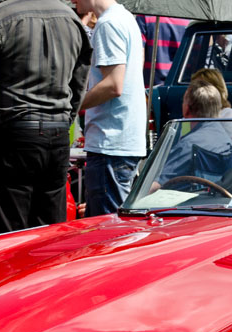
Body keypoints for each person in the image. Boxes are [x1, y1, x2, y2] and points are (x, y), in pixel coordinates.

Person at [0, 0, 91, 236]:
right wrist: (64, 120)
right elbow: (79, 84)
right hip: (55, 133)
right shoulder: (72, 20)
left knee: (5, 236)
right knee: (48, 237)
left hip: (13, 135)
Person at [76, 0, 147, 217]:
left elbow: (114, 85)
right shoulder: (124, 18)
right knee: (114, 229)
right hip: (120, 141)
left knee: (108, 234)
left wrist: (71, 106)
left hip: (111, 143)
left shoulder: (108, 23)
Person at [151, 82, 232, 191]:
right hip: (215, 202)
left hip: (183, 203)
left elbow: (158, 185)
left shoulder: (188, 145)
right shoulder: (228, 142)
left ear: (187, 109)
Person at [191, 68, 232, 160]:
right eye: (193, 89)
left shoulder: (230, 116)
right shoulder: (189, 118)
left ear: (217, 91)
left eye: (200, 88)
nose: (195, 93)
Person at [136, 15, 191, 86]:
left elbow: (138, 57)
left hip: (151, 89)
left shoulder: (145, 15)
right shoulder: (194, 18)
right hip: (184, 88)